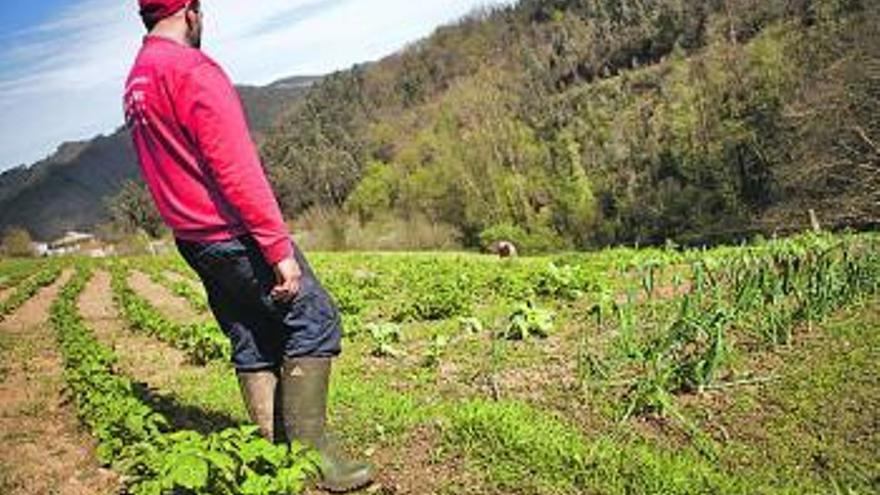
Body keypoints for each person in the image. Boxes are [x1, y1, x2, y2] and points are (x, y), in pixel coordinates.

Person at [123, 1, 374, 492]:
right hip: (230, 232)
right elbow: (236, 168)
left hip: (193, 238)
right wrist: (277, 249)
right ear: (190, 12)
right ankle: (313, 461)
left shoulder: (138, 79)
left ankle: (271, 454)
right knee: (314, 319)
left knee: (251, 332)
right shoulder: (192, 71)